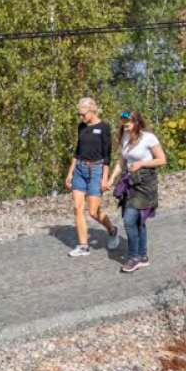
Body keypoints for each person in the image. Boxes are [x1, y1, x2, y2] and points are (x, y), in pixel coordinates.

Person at [104, 111, 166, 273]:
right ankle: (143, 255)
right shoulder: (126, 137)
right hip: (130, 181)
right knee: (138, 219)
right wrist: (111, 179)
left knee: (129, 219)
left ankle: (134, 257)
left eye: (128, 124)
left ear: (137, 122)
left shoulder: (148, 137)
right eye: (123, 125)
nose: (125, 127)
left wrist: (141, 164)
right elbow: (122, 160)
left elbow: (161, 160)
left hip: (145, 182)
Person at [65, 97, 121, 257]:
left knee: (93, 212)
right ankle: (83, 246)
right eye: (79, 114)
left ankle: (112, 230)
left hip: (96, 170)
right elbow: (78, 150)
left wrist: (105, 178)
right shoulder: (81, 126)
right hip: (80, 170)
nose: (81, 117)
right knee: (77, 207)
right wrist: (70, 171)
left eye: (83, 114)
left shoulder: (104, 128)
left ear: (92, 111)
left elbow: (107, 156)